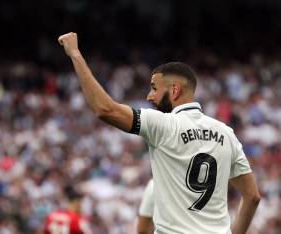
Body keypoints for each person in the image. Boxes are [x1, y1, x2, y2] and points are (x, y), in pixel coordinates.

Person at [58, 32, 261, 234]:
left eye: (154, 88)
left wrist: (75, 54)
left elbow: (105, 109)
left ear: (174, 90)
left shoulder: (163, 125)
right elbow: (252, 197)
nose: (149, 96)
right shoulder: (226, 133)